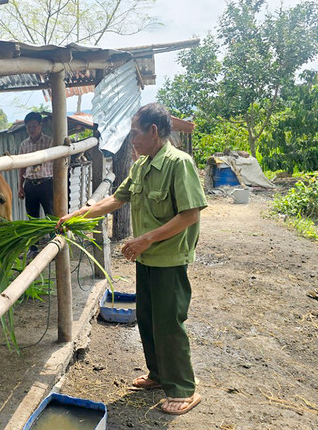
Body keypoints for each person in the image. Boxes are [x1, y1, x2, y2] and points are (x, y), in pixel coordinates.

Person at [58, 103, 206, 415]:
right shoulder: (140, 167)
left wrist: (146, 238)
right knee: (149, 318)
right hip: (146, 258)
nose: (132, 139)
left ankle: (183, 388)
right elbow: (115, 199)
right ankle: (158, 374)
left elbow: (190, 214)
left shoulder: (180, 164)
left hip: (168, 257)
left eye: (136, 133)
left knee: (169, 322)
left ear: (154, 132)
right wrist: (78, 215)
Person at [18, 112, 55, 257]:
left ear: (41, 126)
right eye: (29, 126)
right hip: (30, 185)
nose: (32, 129)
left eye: (34, 126)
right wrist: (20, 187)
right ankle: (33, 249)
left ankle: (54, 246)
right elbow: (21, 167)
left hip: (46, 183)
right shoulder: (24, 145)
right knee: (32, 218)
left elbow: (58, 165)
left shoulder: (50, 142)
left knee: (51, 215)